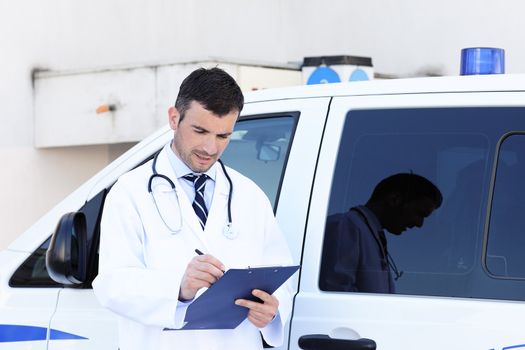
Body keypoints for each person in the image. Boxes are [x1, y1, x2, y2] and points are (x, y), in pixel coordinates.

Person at [92, 67, 294, 350]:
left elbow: (279, 277)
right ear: (174, 118)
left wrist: (272, 310)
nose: (210, 148)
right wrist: (180, 286)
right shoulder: (130, 193)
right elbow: (113, 285)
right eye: (200, 131)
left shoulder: (250, 196)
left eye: (223, 136)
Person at [319, 173, 442, 293]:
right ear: (395, 199)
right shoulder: (345, 226)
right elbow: (335, 292)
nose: (419, 224)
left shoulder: (369, 233)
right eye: (420, 214)